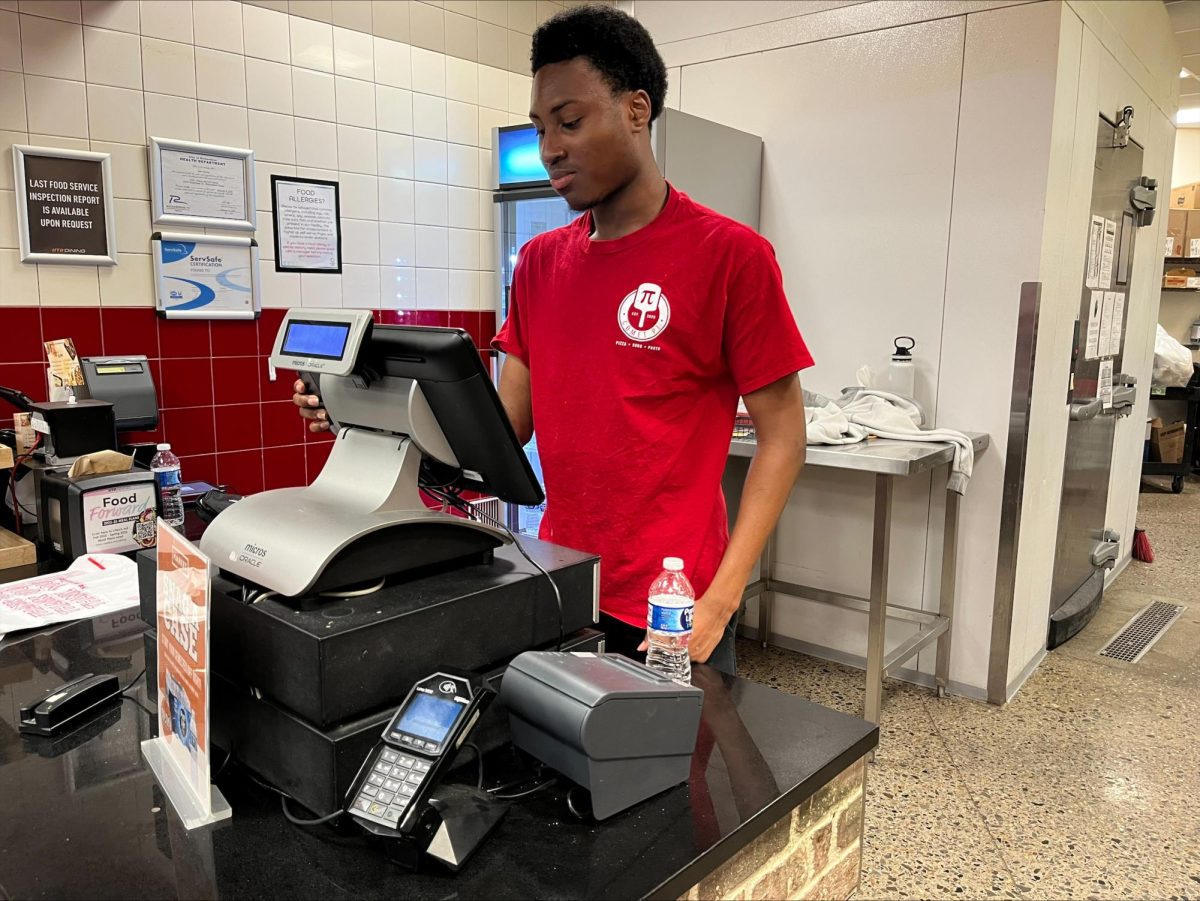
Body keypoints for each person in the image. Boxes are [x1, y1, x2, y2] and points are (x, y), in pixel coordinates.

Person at [295, 5, 812, 675]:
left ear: (635, 110)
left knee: (679, 776)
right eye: (542, 129)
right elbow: (506, 428)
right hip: (561, 576)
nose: (550, 149)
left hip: (673, 602)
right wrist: (369, 415)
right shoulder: (539, 263)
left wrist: (721, 596)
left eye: (569, 122)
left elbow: (784, 438)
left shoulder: (730, 256)